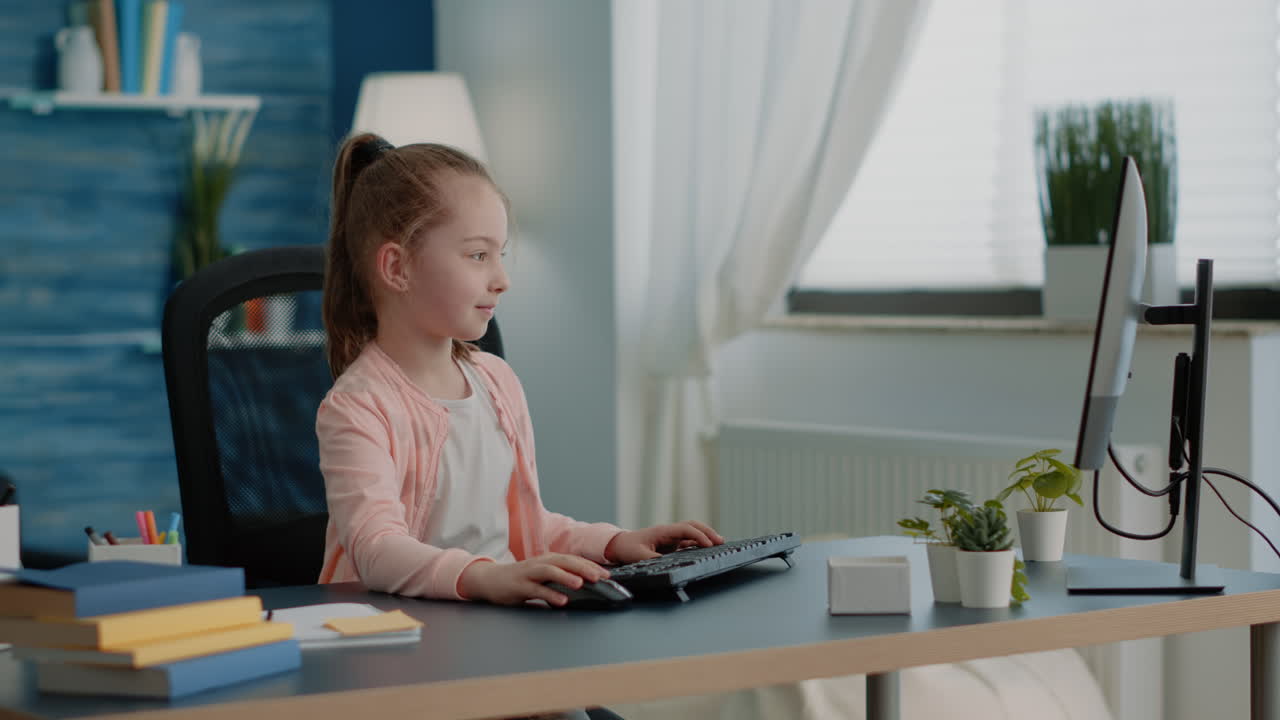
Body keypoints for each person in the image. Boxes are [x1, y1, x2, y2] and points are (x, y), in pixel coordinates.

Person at [316, 132, 724, 611]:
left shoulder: (497, 382)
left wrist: (615, 543)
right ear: (397, 267)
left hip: (494, 619)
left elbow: (527, 527)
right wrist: (488, 577)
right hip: (394, 629)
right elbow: (377, 550)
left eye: (500, 255)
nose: (502, 280)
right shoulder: (358, 406)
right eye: (478, 255)